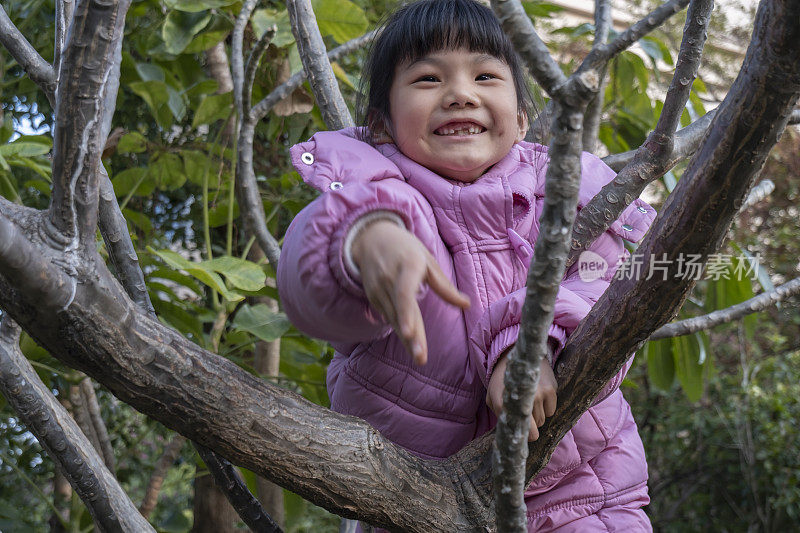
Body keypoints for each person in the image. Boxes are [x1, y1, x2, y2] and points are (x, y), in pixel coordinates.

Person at [277, 0, 656, 529]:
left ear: (522, 118)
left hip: (582, 493)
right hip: (415, 499)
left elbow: (608, 287)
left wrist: (527, 344)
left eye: (484, 75)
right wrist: (364, 241)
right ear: (379, 124)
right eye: (428, 78)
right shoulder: (379, 197)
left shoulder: (568, 196)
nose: (460, 93)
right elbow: (306, 279)